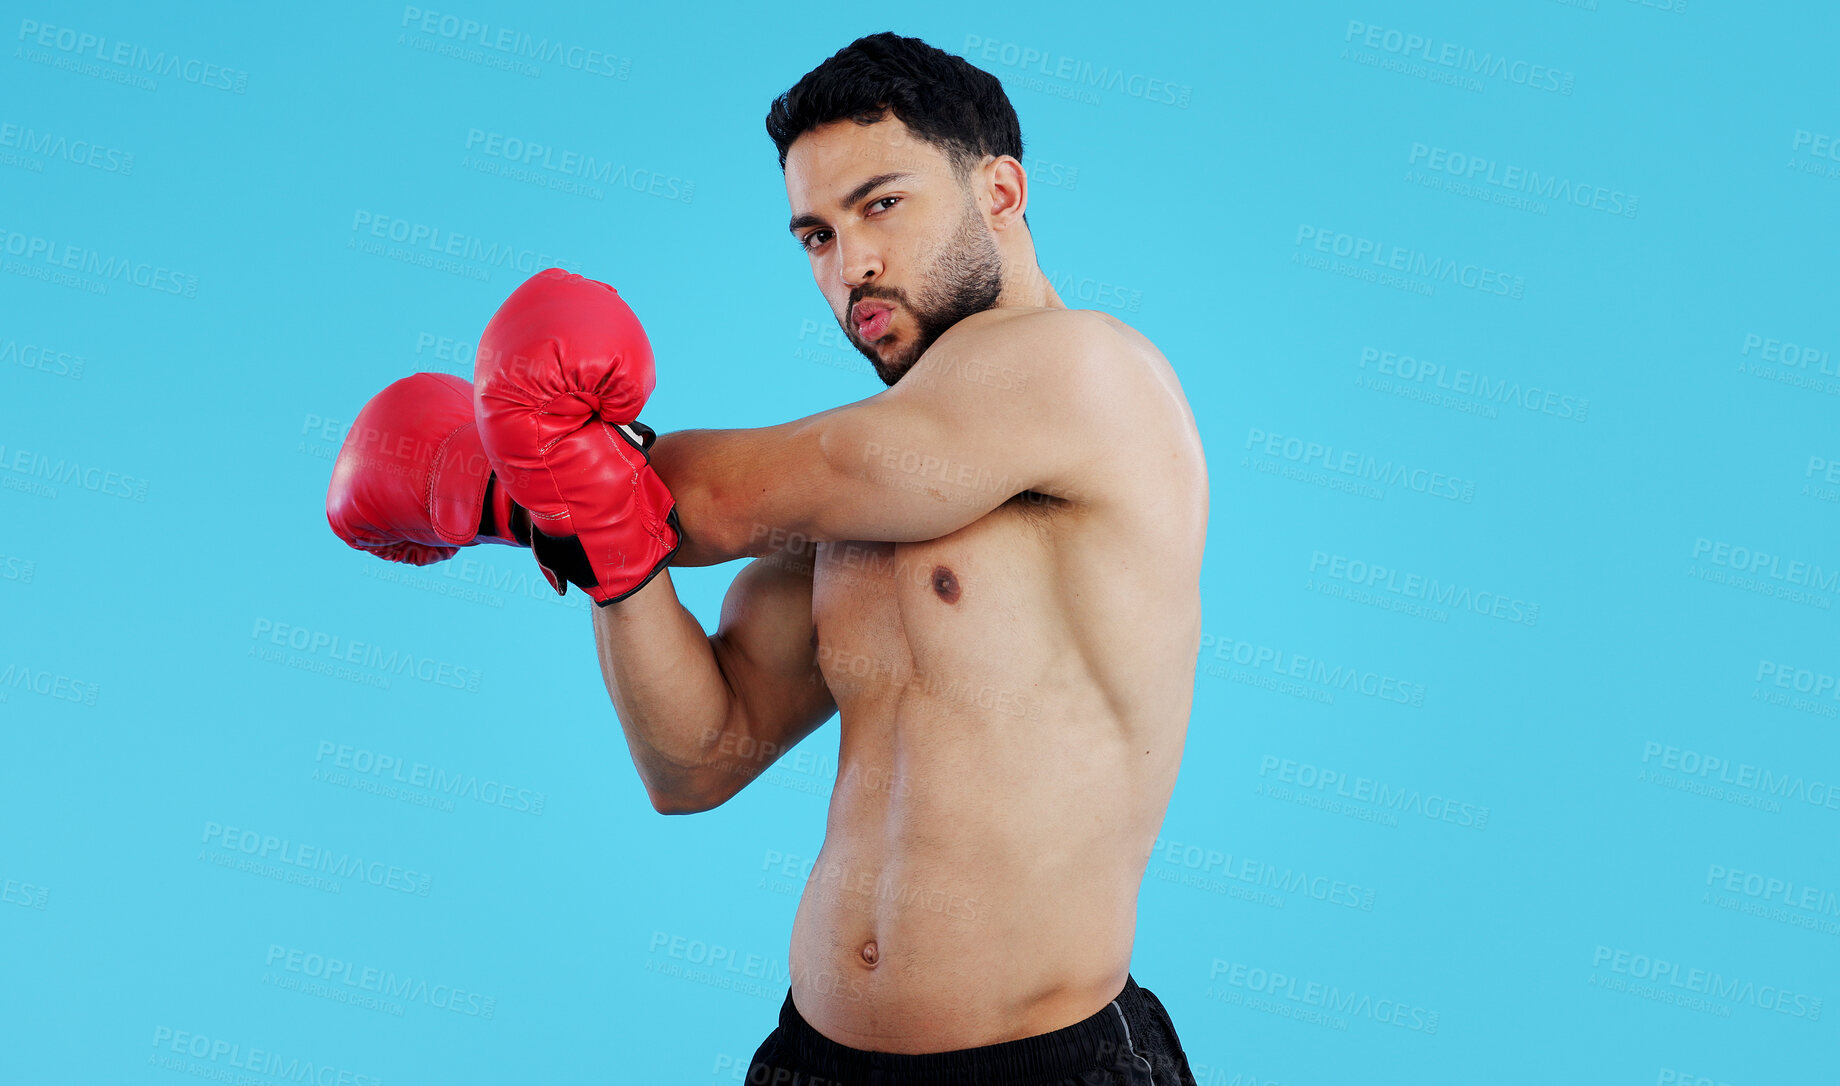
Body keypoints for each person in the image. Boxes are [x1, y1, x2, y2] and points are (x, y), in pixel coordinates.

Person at [327, 31, 1207, 1085]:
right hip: (810, 1058)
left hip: (1046, 1066)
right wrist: (611, 560)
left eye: (882, 205)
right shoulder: (863, 495)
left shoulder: (1082, 371)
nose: (852, 266)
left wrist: (529, 483)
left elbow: (711, 504)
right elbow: (696, 756)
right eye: (815, 236)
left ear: (1003, 193)